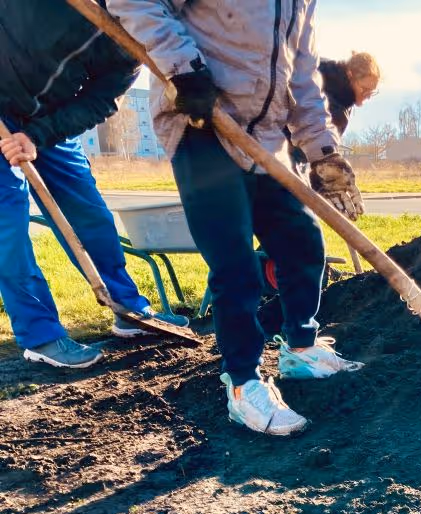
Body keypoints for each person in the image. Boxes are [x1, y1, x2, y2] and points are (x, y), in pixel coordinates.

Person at [108, 0, 367, 436]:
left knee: (303, 241)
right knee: (236, 265)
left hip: (267, 139)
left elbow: (301, 77)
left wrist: (324, 151)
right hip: (202, 123)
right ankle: (244, 383)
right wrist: (184, 68)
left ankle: (300, 349)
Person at [0, 0, 189, 370]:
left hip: (48, 123)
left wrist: (38, 134)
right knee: (8, 225)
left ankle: (127, 309)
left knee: (90, 215)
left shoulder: (134, 26)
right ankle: (40, 335)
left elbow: (101, 100)